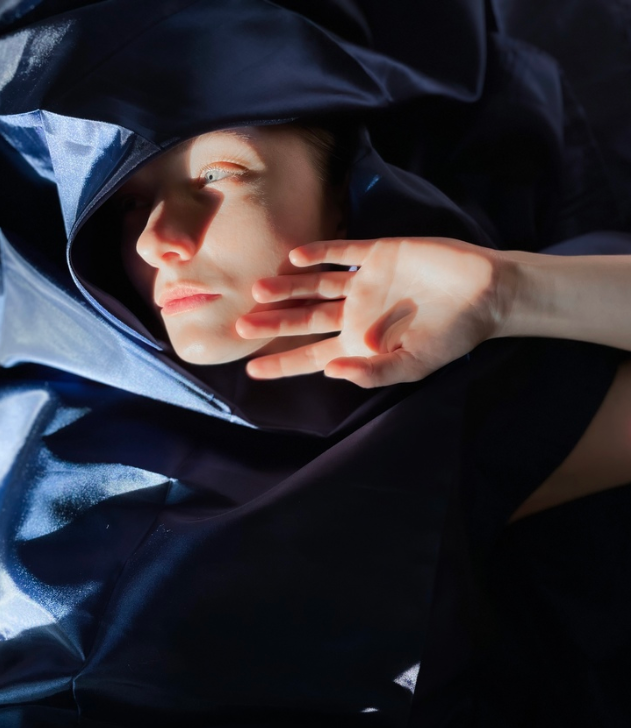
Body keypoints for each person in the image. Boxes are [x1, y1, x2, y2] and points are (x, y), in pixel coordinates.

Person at [1, 1, 631, 726]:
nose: (157, 238)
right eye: (126, 202)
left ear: (342, 194)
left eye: (218, 175)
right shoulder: (27, 404)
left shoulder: (425, 427)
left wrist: (508, 292)